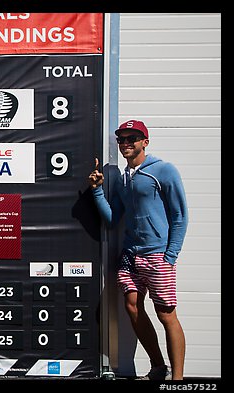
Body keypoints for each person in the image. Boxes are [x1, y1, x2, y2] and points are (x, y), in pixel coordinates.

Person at [88, 119, 188, 380]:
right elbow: (112, 219)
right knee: (132, 306)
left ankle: (177, 380)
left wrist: (170, 256)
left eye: (132, 138)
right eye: (122, 139)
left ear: (145, 141)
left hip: (158, 256)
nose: (126, 143)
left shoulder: (163, 170)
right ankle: (158, 367)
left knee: (166, 315)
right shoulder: (123, 179)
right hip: (130, 255)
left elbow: (180, 216)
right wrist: (97, 191)